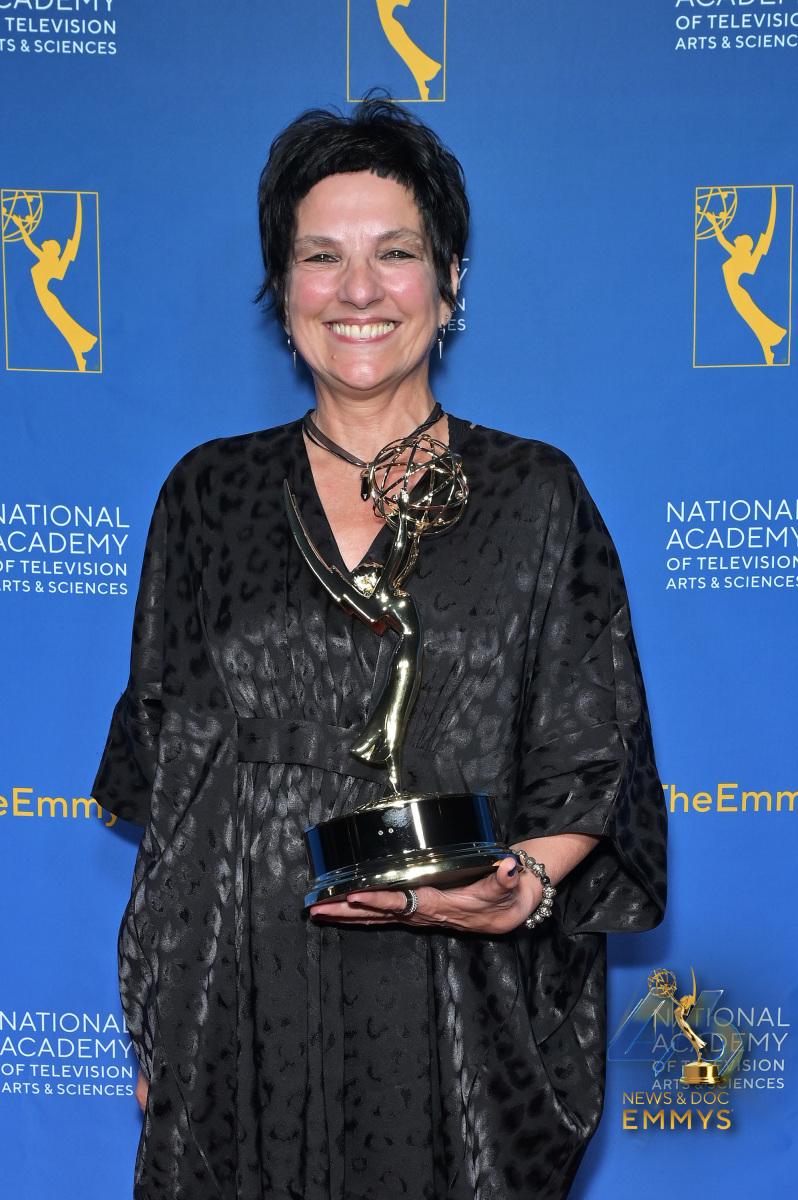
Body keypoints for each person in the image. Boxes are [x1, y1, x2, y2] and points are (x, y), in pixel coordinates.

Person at [94, 98, 667, 1200]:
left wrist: (522, 887)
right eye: (322, 257)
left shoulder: (535, 496)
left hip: (458, 997)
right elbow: (170, 782)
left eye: (394, 253)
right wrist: (165, 1017)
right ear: (283, 291)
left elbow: (594, 749)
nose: (359, 290)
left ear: (449, 283)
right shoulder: (205, 493)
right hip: (242, 993)